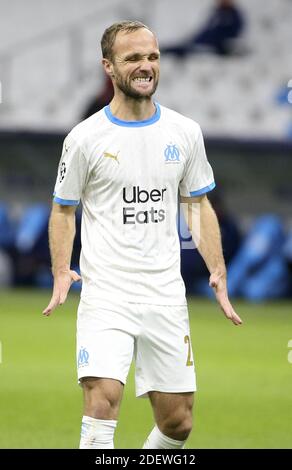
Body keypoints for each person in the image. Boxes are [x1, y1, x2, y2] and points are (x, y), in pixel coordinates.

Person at [43, 20, 242, 450]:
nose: (146, 66)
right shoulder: (84, 138)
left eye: (152, 56)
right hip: (106, 294)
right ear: (109, 67)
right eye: (133, 58)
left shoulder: (184, 133)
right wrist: (62, 269)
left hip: (165, 294)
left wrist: (218, 268)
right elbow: (63, 209)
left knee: (178, 422)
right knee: (102, 402)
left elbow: (197, 204)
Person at [161, 0, 245, 57]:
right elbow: (206, 28)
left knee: (186, 50)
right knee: (182, 46)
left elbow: (235, 33)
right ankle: (161, 50)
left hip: (214, 46)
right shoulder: (217, 12)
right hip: (202, 40)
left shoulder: (233, 15)